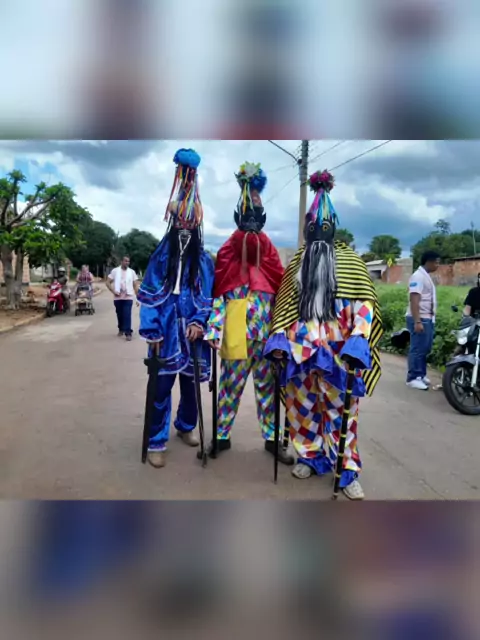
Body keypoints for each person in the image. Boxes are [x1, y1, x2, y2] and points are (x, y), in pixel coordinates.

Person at [264, 170, 383, 500]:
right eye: (312, 229)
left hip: (339, 354)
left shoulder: (351, 263)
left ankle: (346, 470)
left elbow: (364, 304)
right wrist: (279, 338)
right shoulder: (297, 263)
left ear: (333, 230)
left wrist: (359, 338)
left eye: (323, 229)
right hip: (301, 352)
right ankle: (311, 457)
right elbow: (283, 305)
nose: (317, 236)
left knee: (342, 412)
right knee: (301, 408)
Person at [202, 162, 293, 465]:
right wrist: (214, 329)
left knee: (267, 390)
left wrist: (281, 333)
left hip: (265, 338)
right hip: (236, 334)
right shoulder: (228, 252)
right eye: (247, 212)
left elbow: (281, 297)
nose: (253, 220)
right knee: (229, 388)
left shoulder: (270, 254)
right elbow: (219, 295)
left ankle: (271, 439)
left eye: (258, 212)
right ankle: (221, 436)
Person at [137, 148, 215, 469]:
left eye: (189, 223)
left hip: (192, 330)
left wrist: (199, 322)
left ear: (196, 225)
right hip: (167, 327)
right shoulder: (160, 256)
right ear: (172, 222)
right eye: (179, 221)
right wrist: (153, 330)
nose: (184, 228)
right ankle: (156, 440)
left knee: (191, 383)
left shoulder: (204, 261)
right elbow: (150, 294)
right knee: (161, 385)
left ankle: (185, 426)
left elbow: (208, 298)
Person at [406, 250, 441, 390]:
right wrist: (417, 321)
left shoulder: (425, 276)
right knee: (417, 348)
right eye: (436, 262)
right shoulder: (418, 276)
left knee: (425, 348)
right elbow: (414, 299)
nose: (438, 265)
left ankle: (421, 374)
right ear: (429, 262)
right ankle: (413, 377)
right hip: (420, 318)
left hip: (427, 318)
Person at [107, 256, 140, 341]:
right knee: (120, 314)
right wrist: (113, 291)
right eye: (125, 261)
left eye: (128, 261)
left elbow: (135, 285)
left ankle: (128, 333)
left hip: (128, 297)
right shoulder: (115, 271)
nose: (127, 263)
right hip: (117, 297)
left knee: (127, 314)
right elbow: (107, 282)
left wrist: (138, 298)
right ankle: (121, 328)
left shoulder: (132, 272)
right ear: (121, 261)